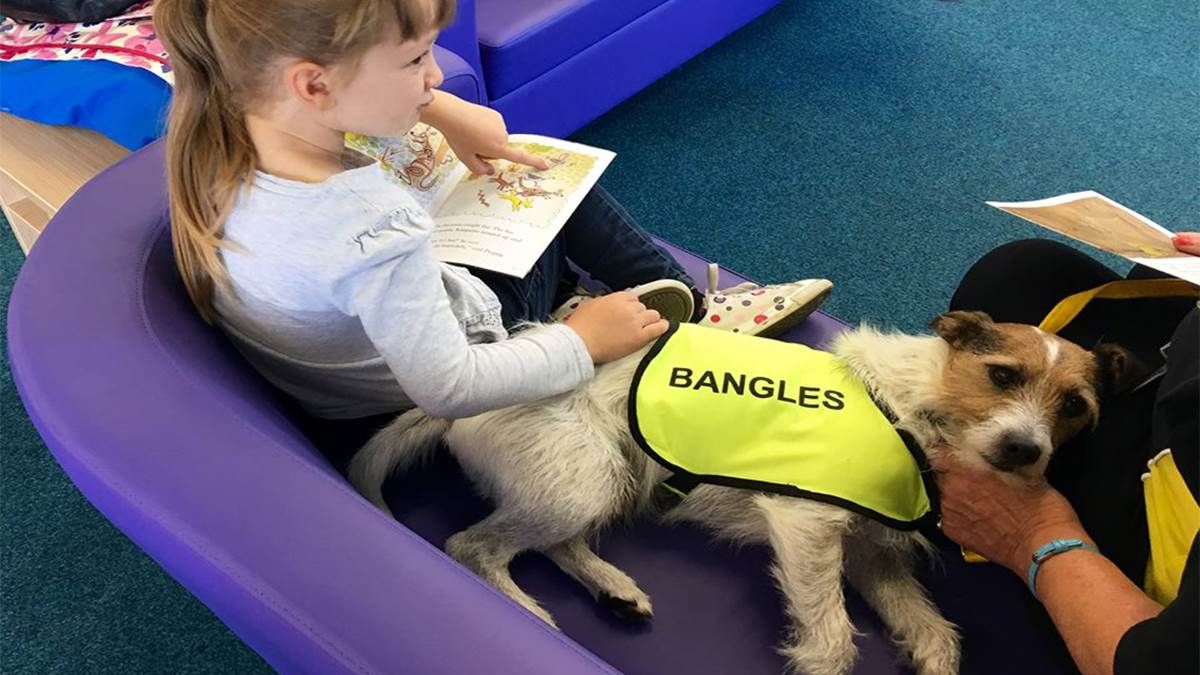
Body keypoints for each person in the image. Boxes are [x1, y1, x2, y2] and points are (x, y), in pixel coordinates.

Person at [154, 0, 831, 423]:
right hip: (446, 364)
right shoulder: (366, 227)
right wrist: (581, 342)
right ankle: (685, 307)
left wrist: (444, 114)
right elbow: (449, 387)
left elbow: (361, 112)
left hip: (358, 366)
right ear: (313, 82)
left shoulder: (227, 123)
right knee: (547, 180)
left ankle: (590, 297)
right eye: (417, 59)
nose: (437, 75)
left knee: (489, 164)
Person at [933, 235, 1200, 675]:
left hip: (1167, 534)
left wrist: (1033, 535)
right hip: (1181, 392)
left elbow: (1162, 664)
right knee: (1025, 271)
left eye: (1071, 408)